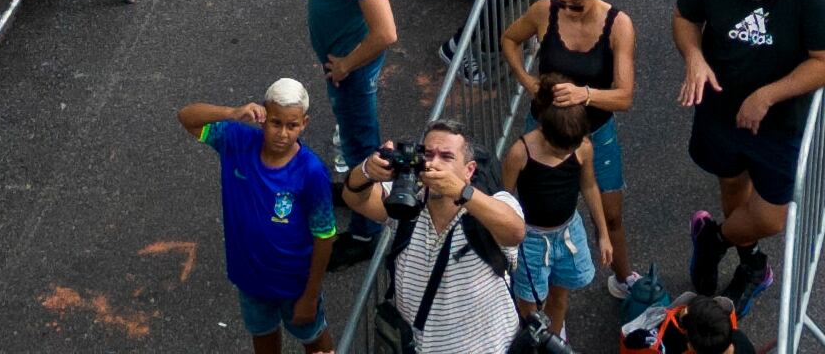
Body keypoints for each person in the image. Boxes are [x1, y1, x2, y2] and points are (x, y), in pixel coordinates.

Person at [674, 0, 825, 304]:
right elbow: (685, 18)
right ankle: (751, 265)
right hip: (720, 107)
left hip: (780, 121)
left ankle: (714, 239)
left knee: (770, 217)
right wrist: (695, 57)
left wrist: (767, 96)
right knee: (732, 185)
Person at [504, 0, 638, 296]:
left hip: (595, 131)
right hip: (545, 132)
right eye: (561, 0)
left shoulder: (618, 25)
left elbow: (624, 96)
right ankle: (531, 284)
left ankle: (626, 279)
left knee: (609, 216)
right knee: (537, 214)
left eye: (575, 4)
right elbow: (509, 39)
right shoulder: (544, 12)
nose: (566, 9)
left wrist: (586, 94)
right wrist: (527, 81)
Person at [178, 80, 340, 354]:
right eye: (276, 123)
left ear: (305, 123)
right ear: (263, 117)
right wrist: (231, 113)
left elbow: (324, 235)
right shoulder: (236, 141)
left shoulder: (312, 172)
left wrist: (310, 296)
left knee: (314, 339)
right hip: (250, 279)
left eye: (293, 126)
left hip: (295, 285)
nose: (283, 134)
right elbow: (186, 117)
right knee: (263, 336)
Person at [337, 119, 523, 354]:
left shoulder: (492, 205)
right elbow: (355, 198)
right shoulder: (408, 201)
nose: (433, 163)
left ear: (469, 170)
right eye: (428, 154)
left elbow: (515, 231)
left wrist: (460, 191)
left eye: (447, 157)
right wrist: (365, 170)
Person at [299, 0, 395, 252]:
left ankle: (365, 231)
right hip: (340, 63)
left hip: (351, 70)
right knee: (354, 134)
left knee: (360, 142)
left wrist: (345, 65)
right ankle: (355, 190)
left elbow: (386, 32)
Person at [500, 96, 605, 339]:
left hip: (567, 232)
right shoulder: (519, 153)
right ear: (542, 130)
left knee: (559, 295)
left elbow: (589, 186)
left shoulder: (582, 147)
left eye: (571, 149)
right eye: (560, 150)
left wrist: (603, 234)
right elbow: (503, 199)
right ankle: (536, 342)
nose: (566, 155)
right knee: (532, 306)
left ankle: (555, 339)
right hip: (532, 240)